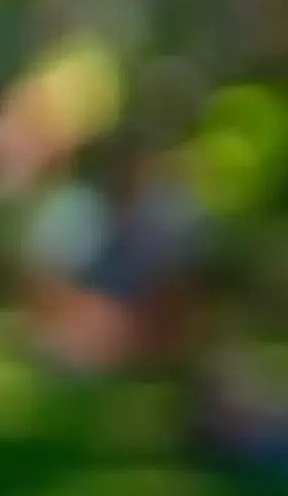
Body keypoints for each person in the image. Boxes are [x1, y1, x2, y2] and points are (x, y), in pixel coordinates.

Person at [19, 132, 204, 376]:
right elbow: (44, 286)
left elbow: (177, 286)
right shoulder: (70, 210)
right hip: (83, 317)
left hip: (142, 320)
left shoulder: (164, 215)